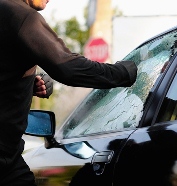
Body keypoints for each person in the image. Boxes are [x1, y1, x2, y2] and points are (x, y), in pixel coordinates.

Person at [0, 0, 137, 185]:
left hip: (9, 159)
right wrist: (125, 72)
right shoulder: (22, 17)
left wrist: (28, 83)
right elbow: (68, 68)